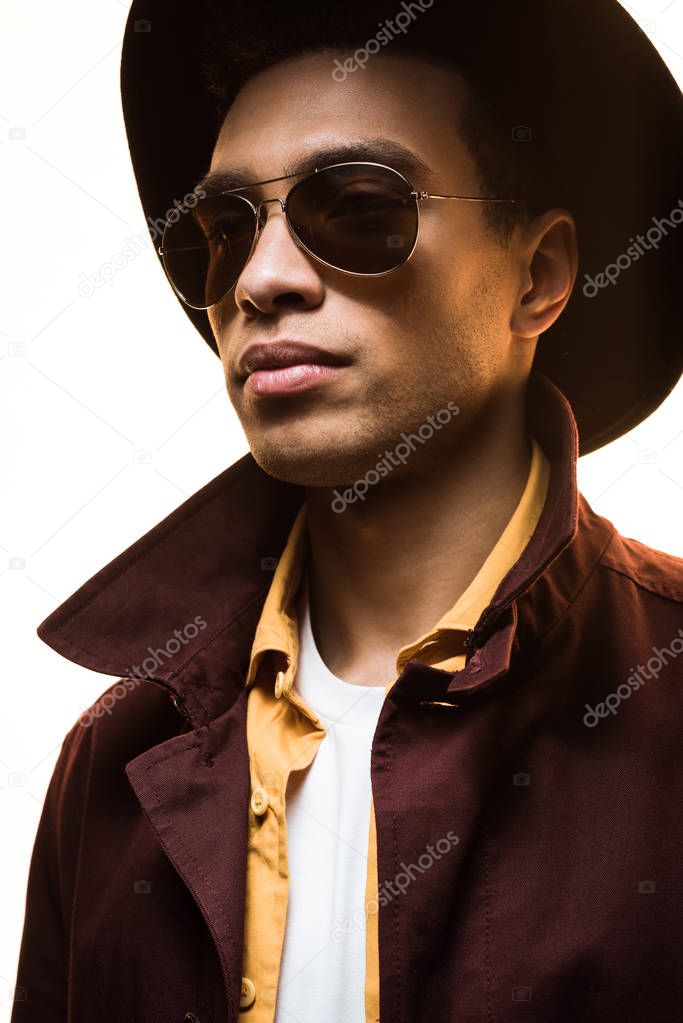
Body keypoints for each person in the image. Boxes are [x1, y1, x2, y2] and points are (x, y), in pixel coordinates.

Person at [12, 1, 683, 1021]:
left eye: (360, 209)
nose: (260, 279)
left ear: (536, 277)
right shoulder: (113, 759)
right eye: (224, 230)